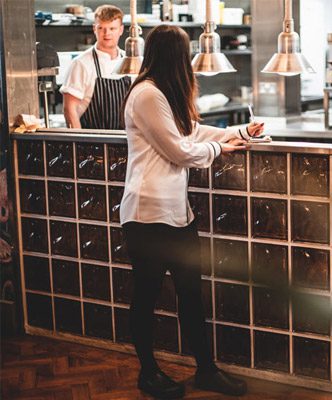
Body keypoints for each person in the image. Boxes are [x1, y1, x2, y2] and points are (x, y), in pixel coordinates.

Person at [119, 25, 264, 399]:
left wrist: (240, 132)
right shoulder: (147, 94)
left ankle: (206, 371)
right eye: (186, 55)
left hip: (177, 215)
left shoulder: (164, 93)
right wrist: (222, 151)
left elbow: (192, 132)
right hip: (147, 216)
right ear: (175, 57)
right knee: (147, 298)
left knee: (191, 296)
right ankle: (148, 374)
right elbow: (180, 151)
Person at [60, 5, 130, 129]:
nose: (106, 33)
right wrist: (79, 143)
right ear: (94, 29)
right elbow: (69, 109)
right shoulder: (81, 64)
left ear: (121, 30)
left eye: (112, 28)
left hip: (125, 142)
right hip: (93, 143)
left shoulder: (130, 61)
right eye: (101, 28)